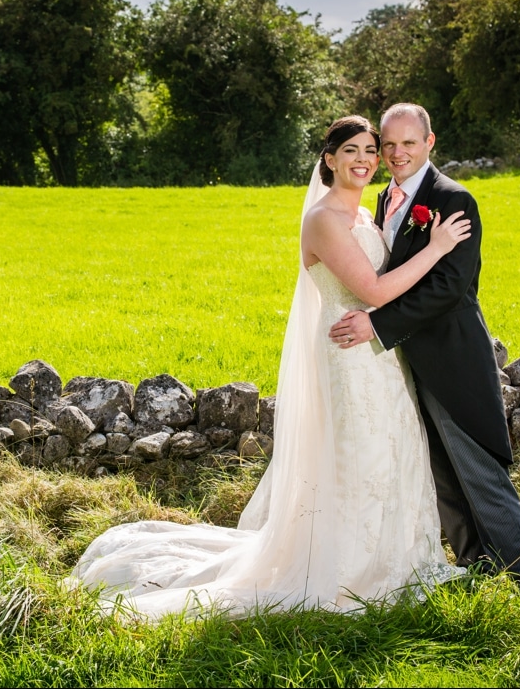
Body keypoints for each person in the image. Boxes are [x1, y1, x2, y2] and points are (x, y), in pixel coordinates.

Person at [67, 115, 472, 619]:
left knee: (391, 452)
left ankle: (401, 559)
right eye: (352, 150)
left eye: (372, 149)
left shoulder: (366, 216)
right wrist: (436, 248)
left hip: (382, 357)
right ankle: (351, 570)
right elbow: (371, 291)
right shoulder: (323, 220)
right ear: (329, 159)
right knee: (360, 456)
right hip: (349, 357)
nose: (366, 159)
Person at [329, 103, 520, 594]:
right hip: (404, 362)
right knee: (441, 473)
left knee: (479, 468)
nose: (398, 153)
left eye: (409, 142)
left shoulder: (453, 199)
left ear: (430, 143)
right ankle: (477, 569)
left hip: (452, 357)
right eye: (390, 145)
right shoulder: (384, 199)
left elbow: (449, 288)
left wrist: (378, 325)